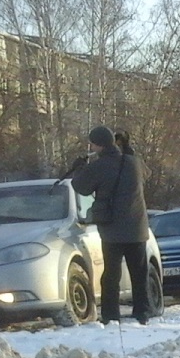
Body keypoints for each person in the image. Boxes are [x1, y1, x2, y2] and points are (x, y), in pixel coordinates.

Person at [70, 125, 152, 324]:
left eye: (92, 143)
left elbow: (80, 186)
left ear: (97, 145)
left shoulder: (98, 166)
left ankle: (110, 315)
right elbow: (146, 174)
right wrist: (129, 152)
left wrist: (80, 167)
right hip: (137, 228)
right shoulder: (134, 162)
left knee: (111, 275)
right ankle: (142, 312)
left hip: (112, 230)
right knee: (139, 273)